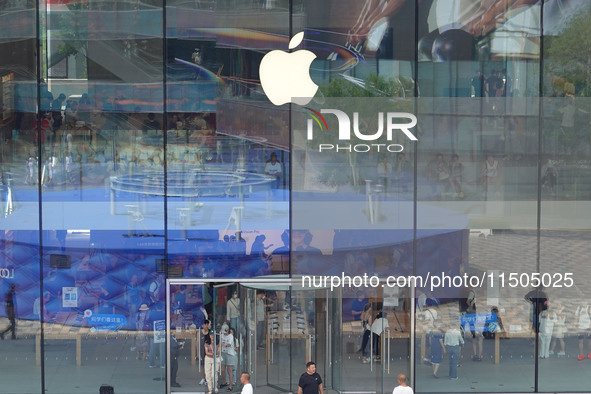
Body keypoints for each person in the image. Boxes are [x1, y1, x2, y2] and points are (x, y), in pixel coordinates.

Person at [220, 324, 236, 391]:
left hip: (230, 354)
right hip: (223, 353)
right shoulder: (221, 335)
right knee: (222, 369)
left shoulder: (230, 336)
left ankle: (230, 385)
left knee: (229, 371)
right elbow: (220, 342)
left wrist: (225, 345)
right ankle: (224, 382)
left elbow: (229, 344)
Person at [199, 319, 211, 386]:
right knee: (202, 365)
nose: (205, 326)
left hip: (208, 352)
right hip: (202, 351)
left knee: (207, 365)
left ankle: (207, 379)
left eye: (206, 325)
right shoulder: (200, 333)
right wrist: (198, 353)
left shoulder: (210, 333)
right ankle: (203, 378)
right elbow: (197, 343)